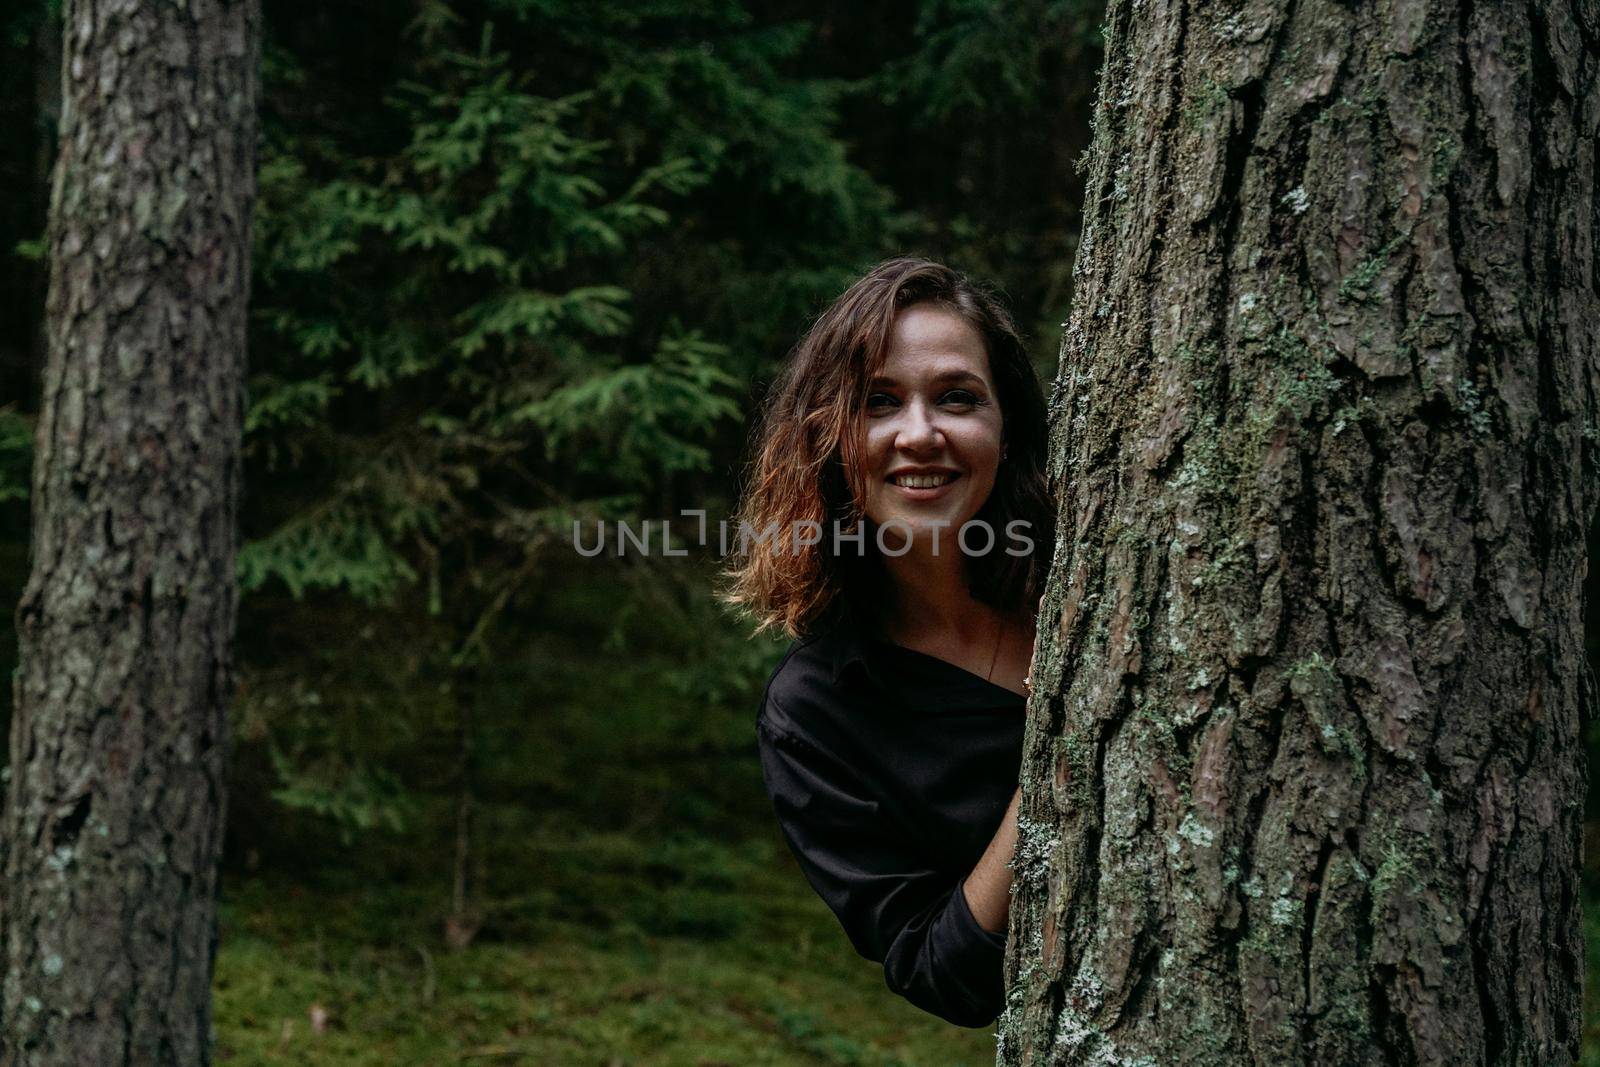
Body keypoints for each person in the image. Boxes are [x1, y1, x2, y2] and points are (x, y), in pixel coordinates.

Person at [723, 257, 1054, 1027]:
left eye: (957, 397)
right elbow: (942, 971)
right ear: (830, 438)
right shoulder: (816, 711)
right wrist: (1055, 762)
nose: (920, 433)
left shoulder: (1104, 569)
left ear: (1005, 427)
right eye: (878, 401)